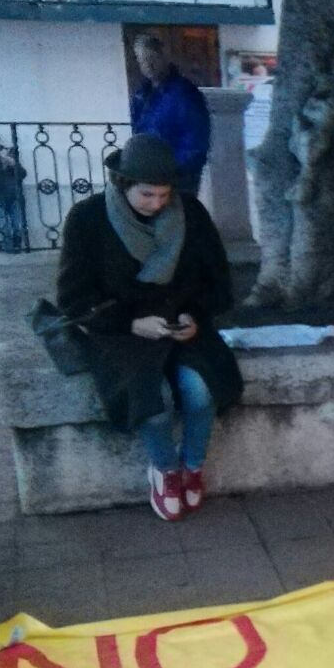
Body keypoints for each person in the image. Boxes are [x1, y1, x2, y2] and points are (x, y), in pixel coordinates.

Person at [57, 134, 243, 522]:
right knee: (152, 400)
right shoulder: (87, 219)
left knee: (199, 391)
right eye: (147, 195)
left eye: (164, 195)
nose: (157, 204)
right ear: (123, 184)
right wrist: (130, 323)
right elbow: (74, 299)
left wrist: (196, 317)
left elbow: (219, 283)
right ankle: (165, 471)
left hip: (181, 324)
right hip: (120, 332)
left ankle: (192, 466)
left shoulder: (190, 213)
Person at [130, 35, 211, 195]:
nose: (148, 65)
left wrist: (174, 169)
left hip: (178, 179)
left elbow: (196, 140)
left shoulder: (184, 94)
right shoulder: (142, 95)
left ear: (163, 57)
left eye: (152, 58)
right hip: (149, 176)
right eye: (142, 61)